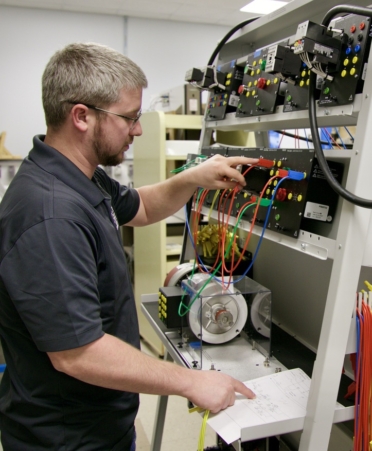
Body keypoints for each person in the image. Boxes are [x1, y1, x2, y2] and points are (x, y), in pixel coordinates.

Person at [0, 42, 258, 451]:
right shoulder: (50, 216)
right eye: (129, 118)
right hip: (67, 438)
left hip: (99, 421)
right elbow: (78, 354)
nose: (138, 130)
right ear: (81, 117)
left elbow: (140, 206)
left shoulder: (79, 176)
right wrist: (191, 381)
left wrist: (195, 175)